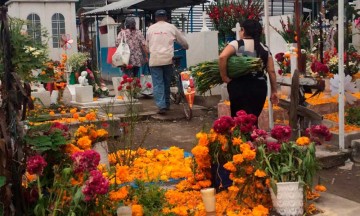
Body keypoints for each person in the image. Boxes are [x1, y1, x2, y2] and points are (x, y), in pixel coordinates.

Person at [219, 19, 278, 120]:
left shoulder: (236, 44)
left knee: (238, 119)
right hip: (259, 87)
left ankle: (240, 136)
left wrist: (224, 76)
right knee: (252, 119)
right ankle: (254, 135)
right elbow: (271, 71)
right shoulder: (264, 48)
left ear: (243, 30)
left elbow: (222, 57)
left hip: (239, 86)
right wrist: (274, 91)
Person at [146, 9, 189, 114]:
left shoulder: (150, 29)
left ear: (155, 18)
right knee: (166, 82)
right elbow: (182, 40)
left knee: (158, 83)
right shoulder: (171, 27)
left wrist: (150, 52)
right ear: (166, 17)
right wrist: (186, 46)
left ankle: (162, 106)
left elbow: (146, 45)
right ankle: (167, 103)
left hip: (155, 59)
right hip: (168, 59)